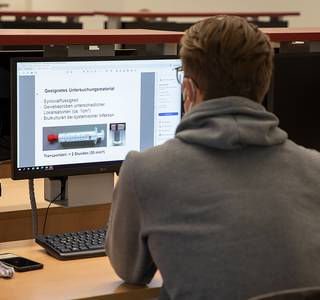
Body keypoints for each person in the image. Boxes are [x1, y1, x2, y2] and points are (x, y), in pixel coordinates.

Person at [105, 15, 320, 300]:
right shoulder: (314, 168)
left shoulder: (144, 171)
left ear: (188, 90)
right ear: (263, 86)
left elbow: (129, 271)